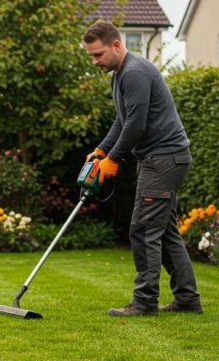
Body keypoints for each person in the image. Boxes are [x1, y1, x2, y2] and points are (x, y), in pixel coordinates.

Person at [82, 21, 203, 317]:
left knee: (144, 229)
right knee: (164, 232)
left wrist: (113, 160)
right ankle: (187, 299)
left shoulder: (134, 73)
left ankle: (145, 301)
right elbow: (123, 121)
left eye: (98, 55)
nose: (95, 62)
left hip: (163, 158)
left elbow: (137, 126)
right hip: (164, 158)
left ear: (116, 45)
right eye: (91, 57)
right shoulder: (119, 75)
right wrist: (101, 150)